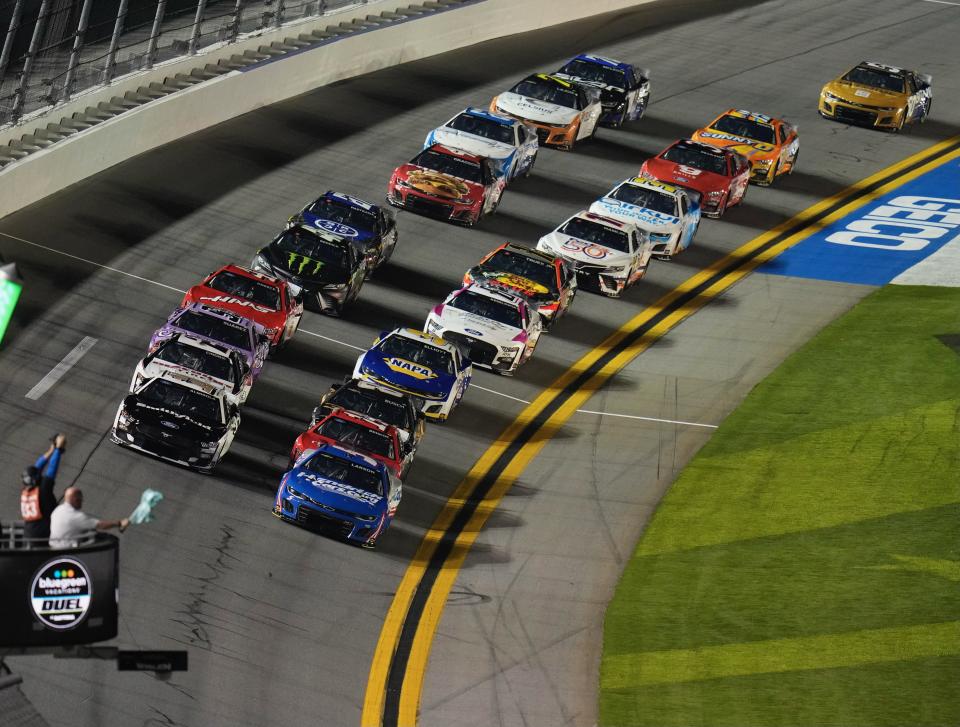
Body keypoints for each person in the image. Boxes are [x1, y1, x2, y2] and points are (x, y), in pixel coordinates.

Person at [20, 434, 66, 545]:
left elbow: (36, 468)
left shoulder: (26, 491)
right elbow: (51, 469)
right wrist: (58, 449)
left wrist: (51, 450)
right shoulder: (43, 490)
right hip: (43, 538)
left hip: (28, 536)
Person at [49, 487, 129, 549]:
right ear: (76, 500)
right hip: (68, 551)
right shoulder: (75, 516)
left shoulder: (58, 510)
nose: (82, 502)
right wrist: (119, 523)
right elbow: (101, 525)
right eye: (81, 500)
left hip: (54, 547)